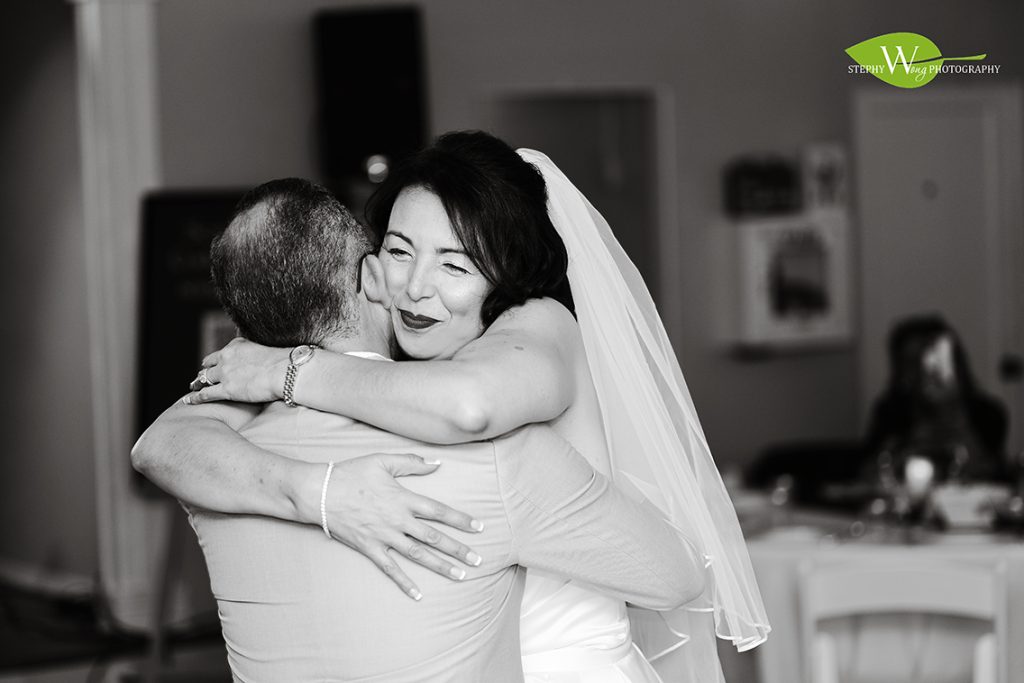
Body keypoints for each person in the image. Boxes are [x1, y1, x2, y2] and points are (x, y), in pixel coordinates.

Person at [135, 132, 769, 681]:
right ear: (371, 269)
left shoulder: (536, 326)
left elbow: (469, 406)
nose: (414, 288)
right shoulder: (408, 366)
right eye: (399, 251)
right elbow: (161, 444)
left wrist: (287, 369)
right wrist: (321, 491)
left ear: (505, 275)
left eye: (455, 265)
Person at [865, 313, 1009, 482]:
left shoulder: (985, 412)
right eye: (912, 363)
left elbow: (991, 473)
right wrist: (909, 446)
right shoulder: (890, 412)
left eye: (934, 363)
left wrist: (953, 413)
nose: (922, 372)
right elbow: (871, 473)